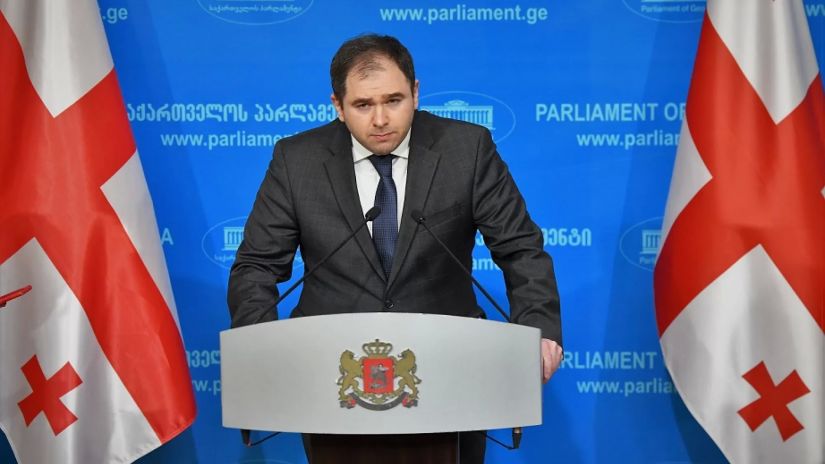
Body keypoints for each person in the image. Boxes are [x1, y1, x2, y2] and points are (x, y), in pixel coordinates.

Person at [227, 33, 563, 464]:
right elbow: (256, 266)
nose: (381, 119)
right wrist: (257, 348)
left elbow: (521, 249)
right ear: (337, 106)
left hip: (451, 371)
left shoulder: (467, 149)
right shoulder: (297, 161)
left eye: (394, 100)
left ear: (416, 93)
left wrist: (540, 330)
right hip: (334, 379)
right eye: (363, 105)